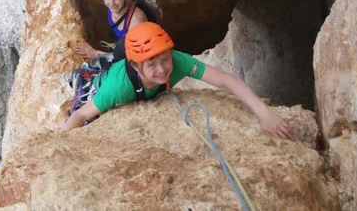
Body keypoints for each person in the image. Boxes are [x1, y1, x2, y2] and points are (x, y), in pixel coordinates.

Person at [62, 22, 295, 140]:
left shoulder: (178, 61)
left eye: (165, 59)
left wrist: (263, 113)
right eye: (151, 65)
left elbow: (225, 80)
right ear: (135, 65)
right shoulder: (118, 88)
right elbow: (81, 115)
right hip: (107, 82)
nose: (163, 69)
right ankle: (93, 66)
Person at [58, 0, 147, 61]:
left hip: (133, 51)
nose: (111, 3)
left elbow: (129, 57)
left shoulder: (136, 21)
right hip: (122, 41)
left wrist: (95, 53)